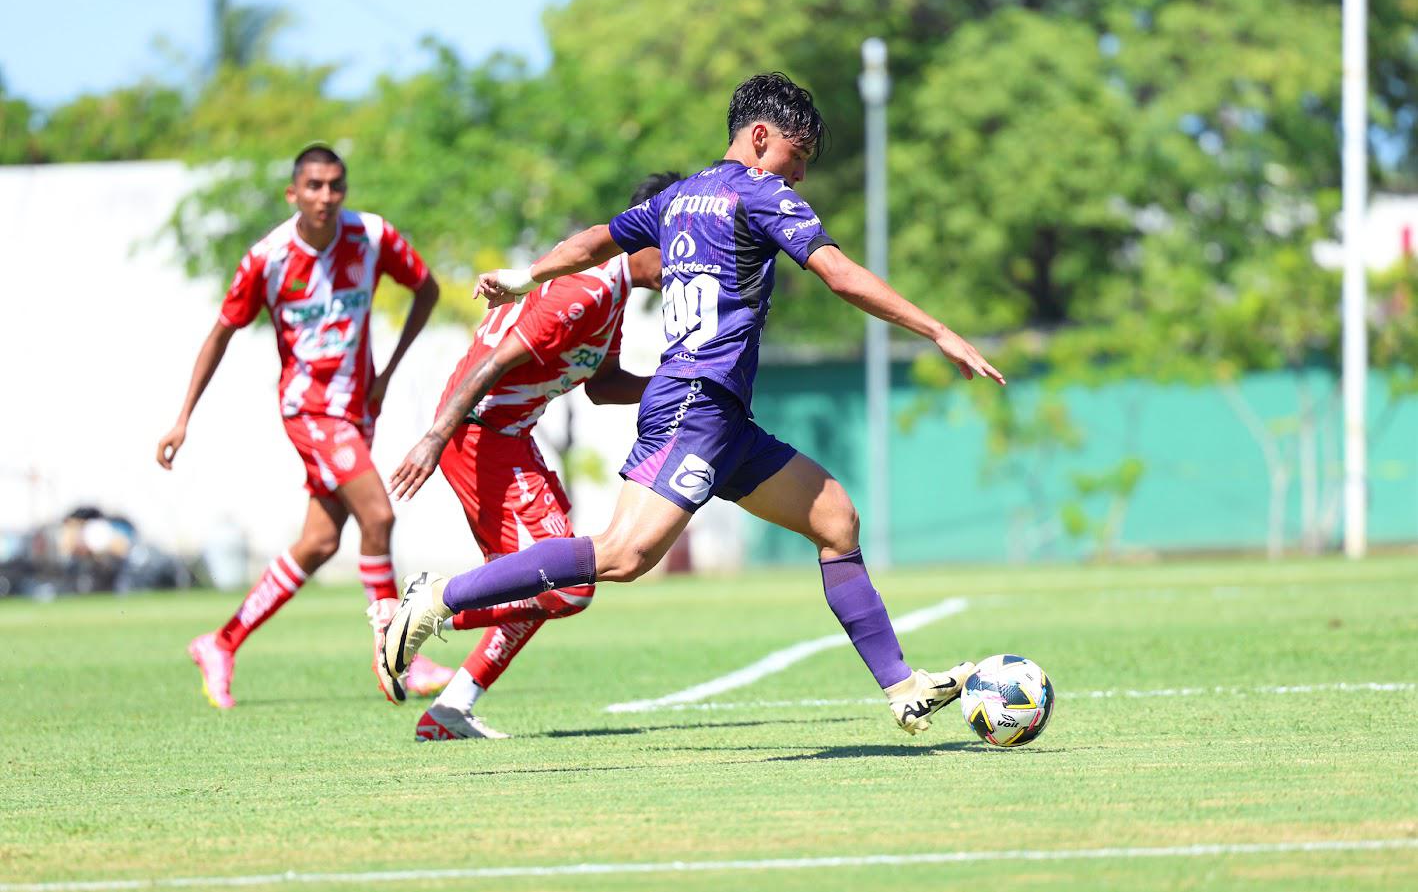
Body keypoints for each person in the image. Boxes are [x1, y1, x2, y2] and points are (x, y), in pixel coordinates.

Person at [380, 74, 1005, 736]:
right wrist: (937, 330)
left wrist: (525, 275)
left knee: (835, 519)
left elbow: (595, 240)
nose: (798, 177)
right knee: (622, 554)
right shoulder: (759, 192)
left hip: (722, 416)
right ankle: (438, 599)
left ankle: (903, 688)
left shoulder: (678, 197)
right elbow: (838, 274)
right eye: (795, 157)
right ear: (760, 138)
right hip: (694, 404)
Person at [381, 172, 682, 741]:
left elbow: (603, 386)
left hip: (511, 437)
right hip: (480, 436)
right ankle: (422, 610)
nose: (687, 265)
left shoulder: (610, 292)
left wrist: (681, 380)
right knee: (567, 586)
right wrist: (434, 437)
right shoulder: (584, 289)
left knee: (540, 580)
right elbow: (492, 363)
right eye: (681, 248)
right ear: (650, 237)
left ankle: (450, 709)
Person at [158, 144, 454, 709]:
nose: (326, 196)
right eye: (314, 186)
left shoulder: (372, 236)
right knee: (378, 515)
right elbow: (220, 334)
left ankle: (221, 643)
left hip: (358, 408)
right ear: (292, 193)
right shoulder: (268, 258)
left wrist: (388, 371)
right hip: (309, 409)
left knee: (319, 542)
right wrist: (183, 418)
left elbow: (428, 290)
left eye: (335, 185)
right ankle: (398, 655)